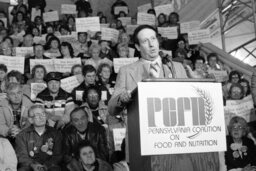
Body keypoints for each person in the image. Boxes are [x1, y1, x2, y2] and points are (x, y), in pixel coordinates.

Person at [108, 24, 187, 116]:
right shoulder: (125, 71)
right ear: (137, 47)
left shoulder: (177, 67)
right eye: (145, 41)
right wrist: (121, 99)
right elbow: (111, 110)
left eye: (153, 39)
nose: (151, 44)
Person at [15, 104, 62, 171]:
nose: (41, 117)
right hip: (30, 166)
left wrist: (46, 166)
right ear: (31, 120)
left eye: (43, 114)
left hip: (50, 166)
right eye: (37, 115)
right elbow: (22, 156)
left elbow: (58, 155)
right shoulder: (22, 135)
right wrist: (33, 165)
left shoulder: (56, 133)